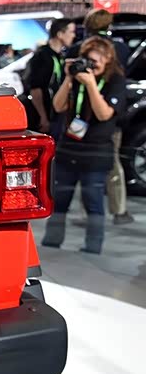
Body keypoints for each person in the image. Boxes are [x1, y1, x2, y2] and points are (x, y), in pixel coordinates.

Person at [41, 37, 127, 254]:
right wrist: (69, 78)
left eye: (95, 62)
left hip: (96, 154)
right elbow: (58, 106)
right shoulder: (77, 78)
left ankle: (93, 247)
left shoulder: (116, 81)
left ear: (108, 59)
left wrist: (91, 85)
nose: (91, 66)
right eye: (88, 60)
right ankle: (51, 242)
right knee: (59, 200)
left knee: (93, 203)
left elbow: (104, 114)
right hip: (68, 149)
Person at [67, 9, 133, 225]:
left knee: (82, 165)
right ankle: (119, 210)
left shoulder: (78, 50)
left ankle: (89, 213)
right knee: (113, 163)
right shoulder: (120, 48)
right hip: (108, 116)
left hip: (83, 115)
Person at [21, 18, 75, 134]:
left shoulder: (60, 56)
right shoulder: (42, 56)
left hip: (55, 112)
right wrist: (43, 117)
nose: (73, 35)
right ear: (60, 34)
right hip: (44, 115)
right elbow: (35, 89)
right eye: (71, 32)